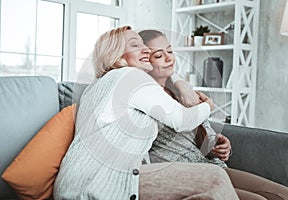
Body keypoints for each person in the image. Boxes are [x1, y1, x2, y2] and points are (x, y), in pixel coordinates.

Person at [53, 26, 239, 200]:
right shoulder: (130, 77)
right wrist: (208, 105)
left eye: (144, 45)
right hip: (96, 183)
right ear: (117, 56)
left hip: (73, 183)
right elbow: (181, 120)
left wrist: (178, 81)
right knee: (214, 178)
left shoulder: (96, 86)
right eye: (135, 45)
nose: (146, 51)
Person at [138, 29, 288, 200]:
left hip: (213, 166)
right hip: (186, 176)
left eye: (170, 51)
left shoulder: (183, 91)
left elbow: (202, 134)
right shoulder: (145, 98)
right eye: (158, 55)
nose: (169, 58)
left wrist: (219, 146)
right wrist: (206, 105)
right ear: (144, 60)